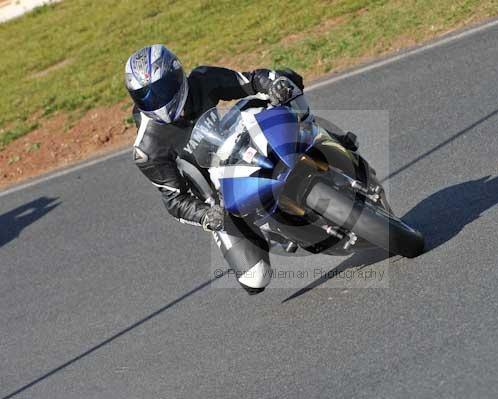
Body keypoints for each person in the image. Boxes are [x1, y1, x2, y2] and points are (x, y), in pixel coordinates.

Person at [125, 44, 356, 295]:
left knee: (286, 80)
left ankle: (325, 139)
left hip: (239, 141)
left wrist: (272, 85)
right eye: (145, 95)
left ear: (177, 75)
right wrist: (205, 215)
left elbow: (252, 80)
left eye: (160, 90)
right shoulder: (147, 149)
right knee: (255, 279)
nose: (156, 100)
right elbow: (174, 200)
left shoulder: (203, 79)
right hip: (217, 195)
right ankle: (270, 229)